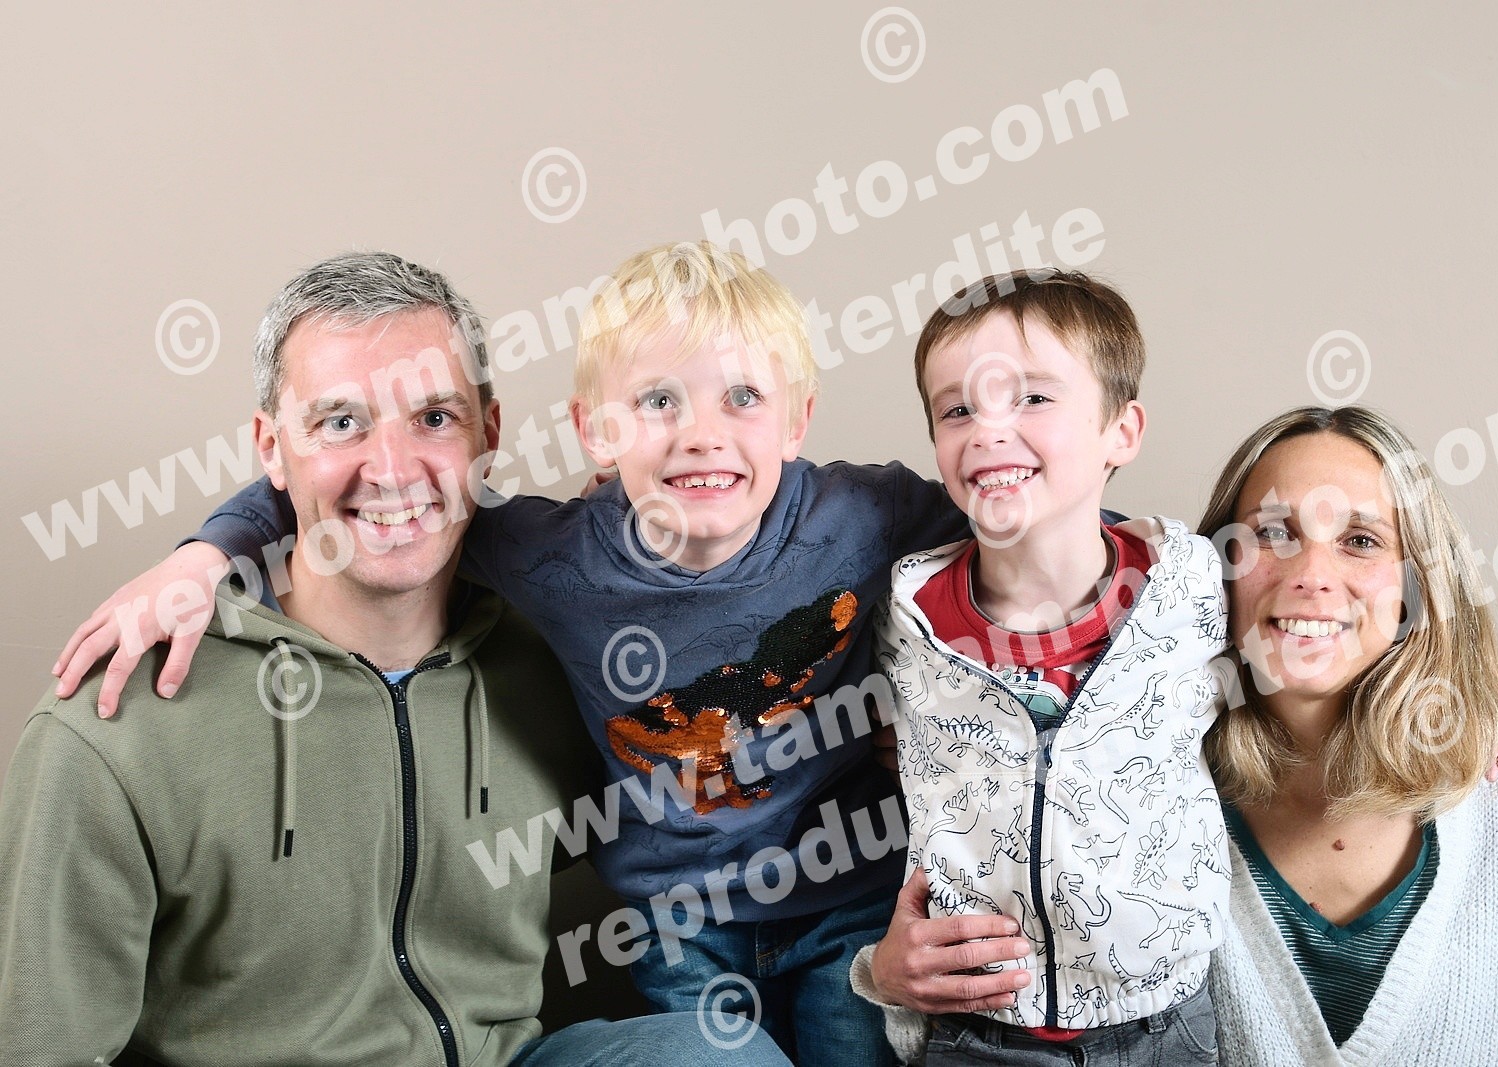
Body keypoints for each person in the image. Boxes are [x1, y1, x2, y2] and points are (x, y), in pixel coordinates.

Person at [52, 242, 972, 1066]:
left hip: (848, 895)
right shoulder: (549, 554)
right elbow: (352, 491)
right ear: (595, 430)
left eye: (743, 397)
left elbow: (1013, 540)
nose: (702, 433)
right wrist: (202, 556)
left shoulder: (862, 515)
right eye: (658, 401)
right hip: (682, 923)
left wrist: (933, 719)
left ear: (798, 418)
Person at [851, 270, 1227, 1064]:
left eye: (1031, 398)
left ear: (1122, 430)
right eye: (958, 409)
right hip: (979, 1029)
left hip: (1165, 1022)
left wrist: (1476, 713)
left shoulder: (1193, 588)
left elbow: (1333, 669)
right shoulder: (907, 617)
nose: (987, 431)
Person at [1195, 405, 1498, 1065]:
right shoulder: (1150, 786)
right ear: (1216, 566)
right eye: (1272, 532)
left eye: (1360, 540)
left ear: (1416, 584)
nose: (1311, 574)